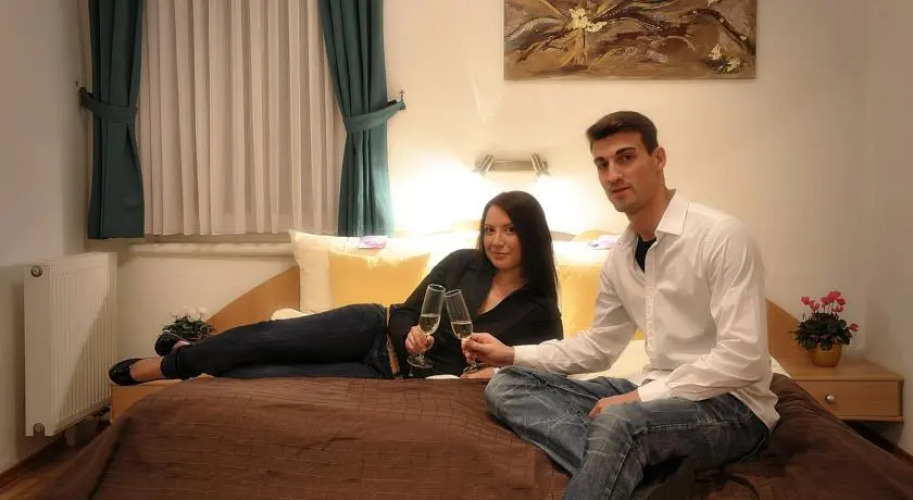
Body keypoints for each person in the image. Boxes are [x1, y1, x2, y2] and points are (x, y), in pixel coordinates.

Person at [463, 111, 778, 499]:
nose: (613, 175)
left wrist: (639, 398)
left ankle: (622, 461)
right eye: (602, 164)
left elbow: (745, 357)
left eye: (625, 158)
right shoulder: (620, 256)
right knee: (507, 385)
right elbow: (600, 346)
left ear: (658, 159)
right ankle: (643, 480)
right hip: (653, 391)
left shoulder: (721, 236)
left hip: (731, 405)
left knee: (619, 421)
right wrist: (511, 355)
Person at [109, 190, 563, 385]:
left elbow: (546, 371)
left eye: (509, 231)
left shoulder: (540, 312)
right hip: (371, 329)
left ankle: (195, 355)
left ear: (531, 235)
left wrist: (494, 373)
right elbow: (408, 310)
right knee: (268, 338)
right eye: (489, 230)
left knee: (263, 378)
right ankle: (167, 365)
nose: (496, 241)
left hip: (389, 378)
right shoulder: (464, 263)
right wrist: (409, 333)